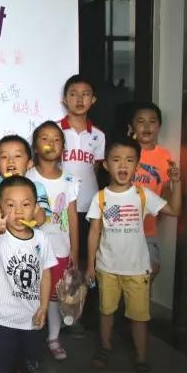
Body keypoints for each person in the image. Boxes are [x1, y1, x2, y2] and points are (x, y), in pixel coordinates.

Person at [86, 137, 181, 372]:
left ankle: (141, 357)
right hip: (107, 267)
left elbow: (175, 210)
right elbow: (94, 232)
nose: (123, 165)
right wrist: (90, 265)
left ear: (137, 166)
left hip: (138, 269)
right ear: (106, 164)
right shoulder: (100, 197)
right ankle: (105, 347)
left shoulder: (143, 195)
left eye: (129, 160)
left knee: (139, 316)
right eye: (116, 159)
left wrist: (176, 183)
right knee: (106, 311)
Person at [0, 176, 57, 373]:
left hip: (32, 319)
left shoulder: (42, 239)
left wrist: (43, 307)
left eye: (25, 204)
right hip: (1, 319)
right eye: (10, 205)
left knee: (28, 364)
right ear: (0, 209)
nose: (18, 211)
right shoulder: (0, 237)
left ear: (35, 208)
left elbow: (45, 275)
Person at [26, 121, 79, 361]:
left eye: (57, 139)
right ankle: (31, 336)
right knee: (33, 293)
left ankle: (53, 337)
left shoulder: (69, 180)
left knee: (55, 296)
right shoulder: (27, 176)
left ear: (63, 148)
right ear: (35, 146)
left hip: (60, 249)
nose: (51, 143)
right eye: (45, 138)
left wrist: (74, 250)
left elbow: (72, 217)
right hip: (32, 248)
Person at [129, 102, 181, 281]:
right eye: (140, 121)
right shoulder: (126, 151)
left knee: (150, 272)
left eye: (152, 121)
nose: (146, 126)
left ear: (159, 126)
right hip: (122, 227)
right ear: (132, 126)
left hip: (148, 230)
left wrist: (162, 209)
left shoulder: (164, 156)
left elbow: (165, 189)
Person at [58, 75, 105, 267]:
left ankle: (84, 286)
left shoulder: (99, 135)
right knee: (62, 253)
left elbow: (96, 167)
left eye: (85, 94)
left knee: (86, 254)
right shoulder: (55, 130)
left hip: (88, 202)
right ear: (64, 100)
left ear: (93, 99)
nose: (79, 99)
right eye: (73, 94)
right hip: (60, 203)